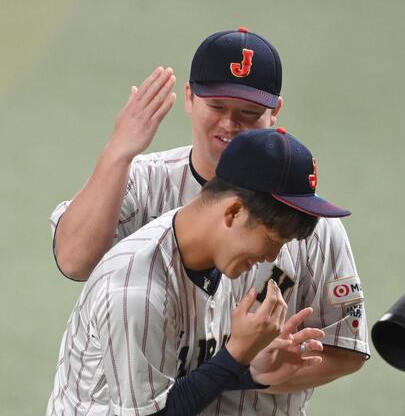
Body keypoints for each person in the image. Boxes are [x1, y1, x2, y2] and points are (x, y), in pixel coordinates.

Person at [50, 28, 369, 415]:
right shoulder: (142, 194)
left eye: (249, 113)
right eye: (217, 106)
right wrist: (118, 153)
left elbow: (345, 347)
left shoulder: (302, 217)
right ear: (190, 98)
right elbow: (73, 260)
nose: (230, 125)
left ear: (275, 111)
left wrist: (255, 370)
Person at [46, 128, 354, 416]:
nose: (272, 257)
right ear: (233, 212)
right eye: (273, 240)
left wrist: (251, 370)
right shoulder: (136, 293)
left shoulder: (208, 254)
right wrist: (236, 354)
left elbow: (177, 379)